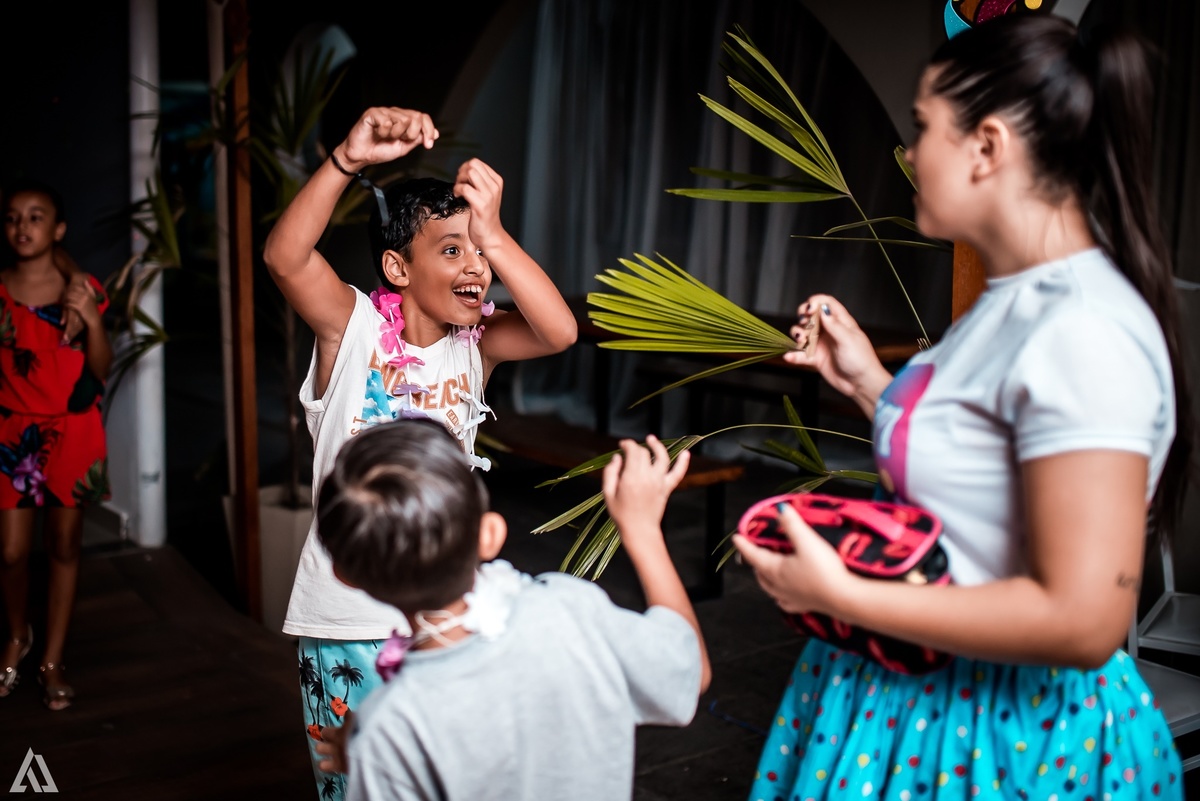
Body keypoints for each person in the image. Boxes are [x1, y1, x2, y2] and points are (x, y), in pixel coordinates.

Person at [734, 13, 1193, 800]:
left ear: (987, 147)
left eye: (923, 128)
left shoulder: (1084, 327)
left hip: (1008, 738)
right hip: (915, 710)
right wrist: (868, 386)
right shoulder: (1012, 299)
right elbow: (993, 473)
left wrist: (839, 594)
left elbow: (1083, 620)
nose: (908, 155)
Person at [261, 106, 578, 799]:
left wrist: (492, 233)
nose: (476, 268)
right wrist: (347, 160)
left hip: (442, 610)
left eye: (480, 253)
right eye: (453, 250)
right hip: (345, 616)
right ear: (397, 267)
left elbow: (559, 331)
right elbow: (284, 258)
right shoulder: (354, 327)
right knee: (355, 785)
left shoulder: (479, 346)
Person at [311, 419, 709, 800]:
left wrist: (367, 753)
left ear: (344, 574)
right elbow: (690, 674)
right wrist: (642, 529)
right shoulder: (568, 608)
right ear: (490, 534)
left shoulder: (390, 726)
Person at [0, 179, 112, 711]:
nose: (23, 227)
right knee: (12, 551)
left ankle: (52, 658)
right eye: (14, 218)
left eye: (37, 216)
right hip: (11, 433)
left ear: (58, 229)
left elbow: (101, 370)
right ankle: (17, 635)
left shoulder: (81, 288)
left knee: (65, 546)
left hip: (73, 430)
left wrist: (89, 317)